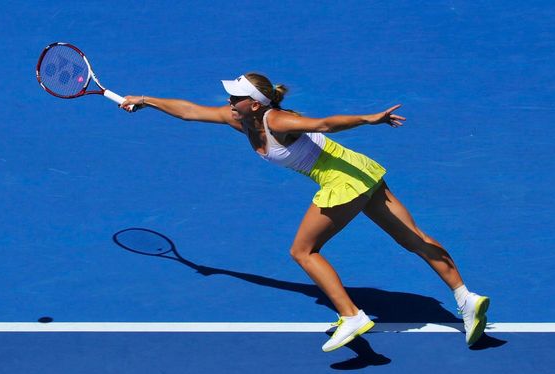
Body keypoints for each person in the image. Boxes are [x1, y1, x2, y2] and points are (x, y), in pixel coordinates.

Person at [119, 73, 490, 351]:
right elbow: (189, 112)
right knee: (412, 238)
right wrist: (146, 99)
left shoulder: (276, 121)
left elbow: (325, 124)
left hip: (340, 180)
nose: (230, 99)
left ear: (257, 103)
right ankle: (466, 298)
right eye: (230, 95)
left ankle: (352, 315)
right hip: (359, 169)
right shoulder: (239, 118)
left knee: (303, 251)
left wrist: (369, 119)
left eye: (237, 96)